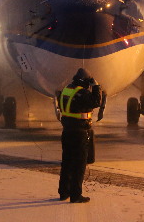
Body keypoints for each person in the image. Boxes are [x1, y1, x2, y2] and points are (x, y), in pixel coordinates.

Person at [57, 68, 102, 203]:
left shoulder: (66, 90)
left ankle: (63, 192)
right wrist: (96, 87)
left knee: (67, 163)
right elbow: (96, 102)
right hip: (79, 132)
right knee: (79, 164)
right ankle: (76, 195)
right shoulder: (81, 93)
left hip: (67, 131)